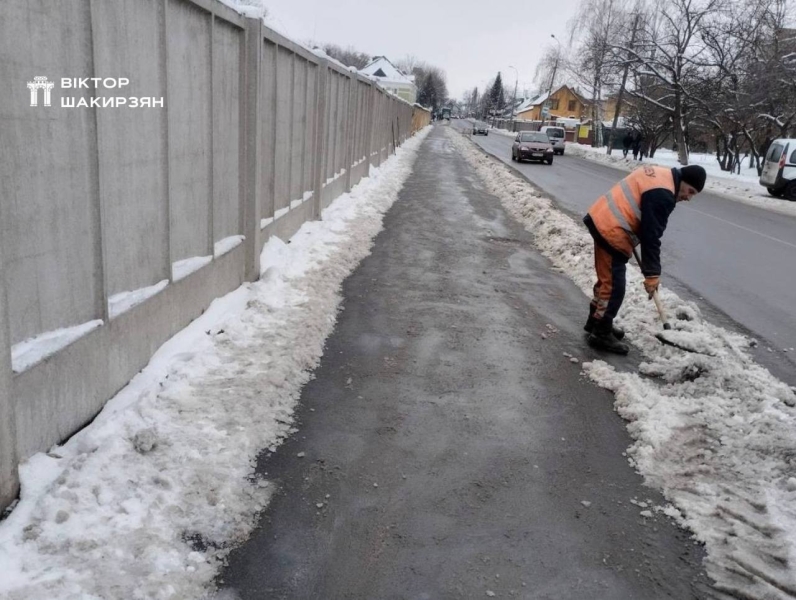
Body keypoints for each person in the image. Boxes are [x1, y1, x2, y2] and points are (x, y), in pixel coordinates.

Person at [582, 164, 707, 354]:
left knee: (606, 281)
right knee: (615, 287)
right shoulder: (663, 195)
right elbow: (651, 236)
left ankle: (596, 322)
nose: (688, 197)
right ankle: (600, 332)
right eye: (690, 191)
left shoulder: (661, 174)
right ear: (682, 181)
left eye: (693, 195)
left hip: (603, 218)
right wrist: (652, 274)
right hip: (612, 230)